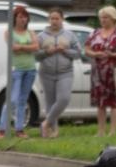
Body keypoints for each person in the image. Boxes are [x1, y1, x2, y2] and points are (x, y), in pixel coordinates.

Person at [34, 9, 82, 138]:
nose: (54, 21)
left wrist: (65, 50)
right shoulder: (41, 36)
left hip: (65, 72)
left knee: (63, 99)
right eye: (52, 18)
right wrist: (46, 52)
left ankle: (45, 124)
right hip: (46, 72)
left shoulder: (69, 35)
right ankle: (52, 131)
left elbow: (78, 53)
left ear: (62, 19)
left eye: (57, 18)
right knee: (50, 102)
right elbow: (35, 56)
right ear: (48, 20)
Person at [85, 6, 116, 137]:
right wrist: (95, 53)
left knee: (114, 102)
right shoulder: (95, 33)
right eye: (101, 17)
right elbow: (86, 49)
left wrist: (113, 54)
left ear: (113, 18)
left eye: (106, 17)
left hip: (113, 72)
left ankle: (113, 131)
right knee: (100, 103)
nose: (103, 20)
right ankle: (100, 130)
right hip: (97, 73)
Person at [0, 6, 40, 139]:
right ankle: (2, 130)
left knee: (23, 100)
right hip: (17, 69)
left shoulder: (31, 32)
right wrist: (27, 47)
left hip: (30, 69)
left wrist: (21, 46)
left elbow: (36, 47)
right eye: (20, 17)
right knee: (13, 100)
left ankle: (19, 129)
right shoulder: (9, 32)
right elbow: (13, 48)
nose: (23, 19)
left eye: (25, 17)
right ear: (15, 18)